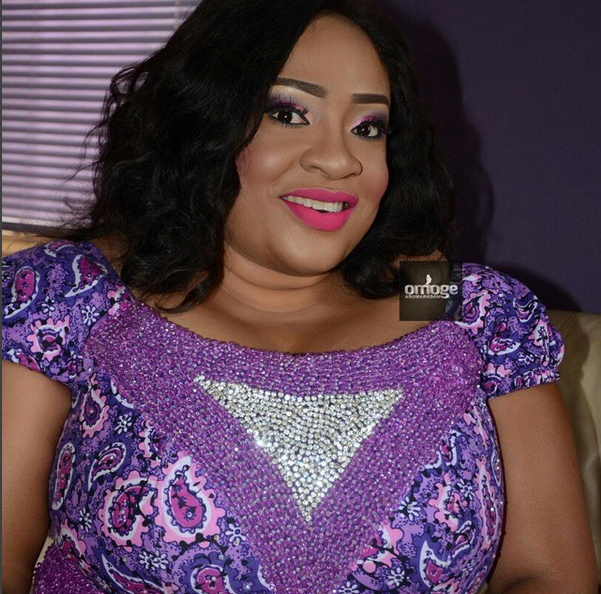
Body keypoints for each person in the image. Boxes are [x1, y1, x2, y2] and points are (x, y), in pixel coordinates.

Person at [2, 0, 597, 592]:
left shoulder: (466, 308)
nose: (339, 160)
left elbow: (548, 573)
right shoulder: (72, 294)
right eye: (288, 113)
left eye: (368, 128)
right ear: (203, 124)